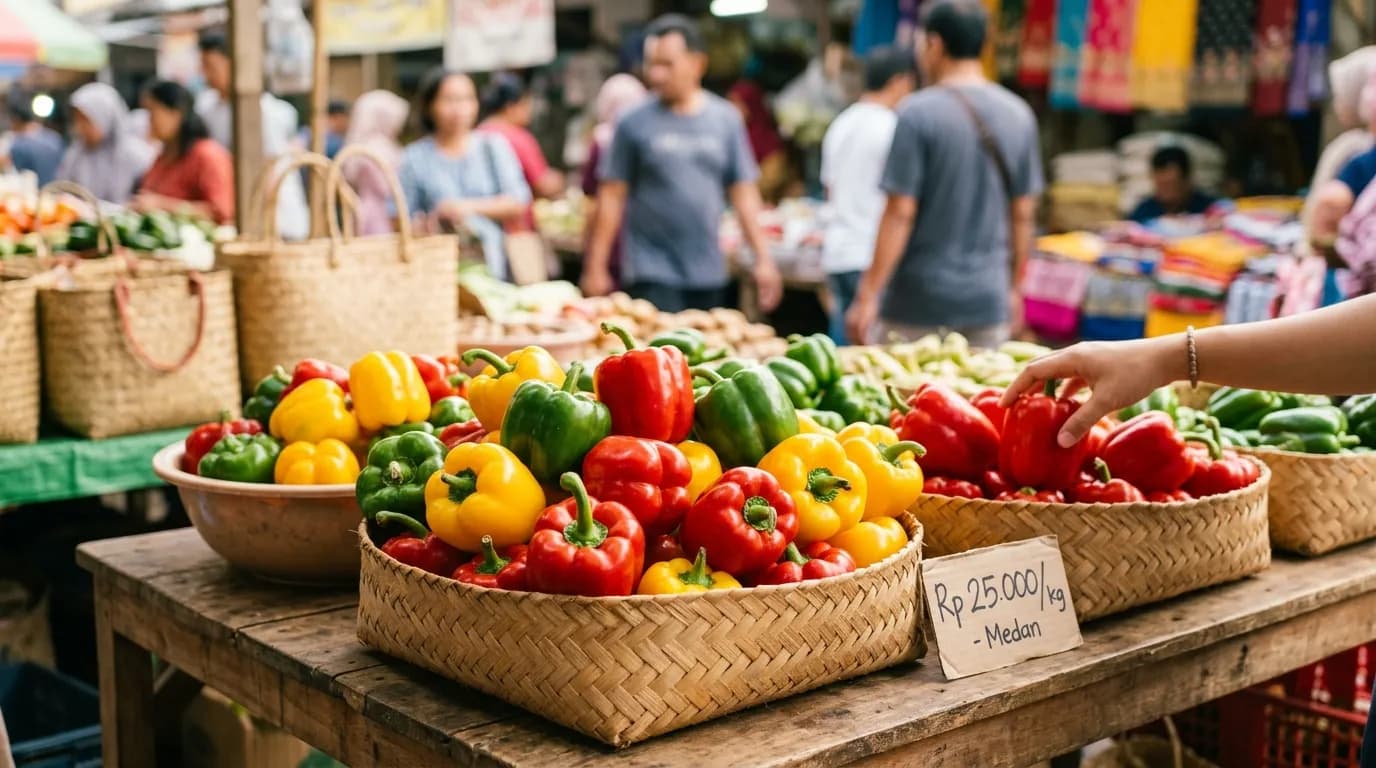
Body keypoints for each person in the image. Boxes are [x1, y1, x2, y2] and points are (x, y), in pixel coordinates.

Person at [846, 0, 1042, 348]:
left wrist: (868, 294)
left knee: (905, 398)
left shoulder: (916, 114)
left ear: (934, 44)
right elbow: (1023, 214)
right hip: (987, 300)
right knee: (979, 399)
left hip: (917, 304)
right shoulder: (1019, 115)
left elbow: (899, 213)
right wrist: (1014, 288)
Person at [582, 14, 782, 314]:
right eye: (652, 64)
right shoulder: (631, 122)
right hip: (650, 271)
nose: (657, 75)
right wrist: (595, 267)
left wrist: (763, 259)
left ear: (697, 64)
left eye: (667, 64)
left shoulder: (725, 119)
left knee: (702, 356)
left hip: (709, 271)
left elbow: (743, 192)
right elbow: (611, 195)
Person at [820, 46, 918, 345]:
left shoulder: (841, 123)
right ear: (901, 80)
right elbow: (900, 205)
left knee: (842, 356)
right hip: (870, 255)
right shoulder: (892, 127)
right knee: (873, 359)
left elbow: (829, 189)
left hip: (837, 252)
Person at [398, 68, 531, 279]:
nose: (459, 109)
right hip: (438, 272)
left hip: (496, 269)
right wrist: (426, 223)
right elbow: (401, 217)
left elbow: (519, 200)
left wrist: (463, 207)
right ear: (430, 106)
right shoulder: (414, 157)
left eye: (466, 99)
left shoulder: (492, 146)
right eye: (449, 100)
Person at [196, 32, 308, 237]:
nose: (205, 74)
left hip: (275, 220)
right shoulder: (206, 108)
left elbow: (270, 168)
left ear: (233, 64)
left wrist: (259, 219)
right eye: (203, 66)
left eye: (211, 66)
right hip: (236, 215)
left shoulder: (263, 112)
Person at [134, 80, 235, 224]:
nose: (148, 121)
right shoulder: (163, 156)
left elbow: (221, 212)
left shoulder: (207, 155)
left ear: (175, 114)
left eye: (153, 112)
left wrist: (163, 206)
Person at [581, 73, 647, 287]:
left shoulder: (600, 142)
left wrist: (591, 257)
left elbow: (591, 197)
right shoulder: (647, 140)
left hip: (613, 241)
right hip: (643, 241)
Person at [55, 83, 154, 204]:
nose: (79, 127)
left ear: (105, 117)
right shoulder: (76, 155)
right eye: (76, 119)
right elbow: (62, 190)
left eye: (85, 120)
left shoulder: (137, 156)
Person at [479, 73, 565, 200]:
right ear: (510, 107)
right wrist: (560, 179)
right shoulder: (517, 137)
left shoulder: (477, 134)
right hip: (515, 215)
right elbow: (543, 185)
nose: (530, 110)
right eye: (526, 104)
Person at [341, 90, 409, 236]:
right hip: (382, 213)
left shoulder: (359, 145)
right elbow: (387, 188)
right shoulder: (379, 148)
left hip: (363, 210)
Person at [727, 80, 788, 203]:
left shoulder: (768, 143)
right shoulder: (725, 136)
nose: (730, 108)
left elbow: (769, 182)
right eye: (730, 102)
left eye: (737, 103)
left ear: (751, 105)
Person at [1127, 146, 1218, 223]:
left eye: (1171, 184)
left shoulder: (1208, 208)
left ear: (1186, 180)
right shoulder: (1144, 212)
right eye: (1161, 184)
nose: (1165, 191)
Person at [5, 90, 64, 186]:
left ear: (15, 121)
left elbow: (16, 172)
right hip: (56, 191)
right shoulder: (55, 138)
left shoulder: (19, 145)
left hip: (35, 194)